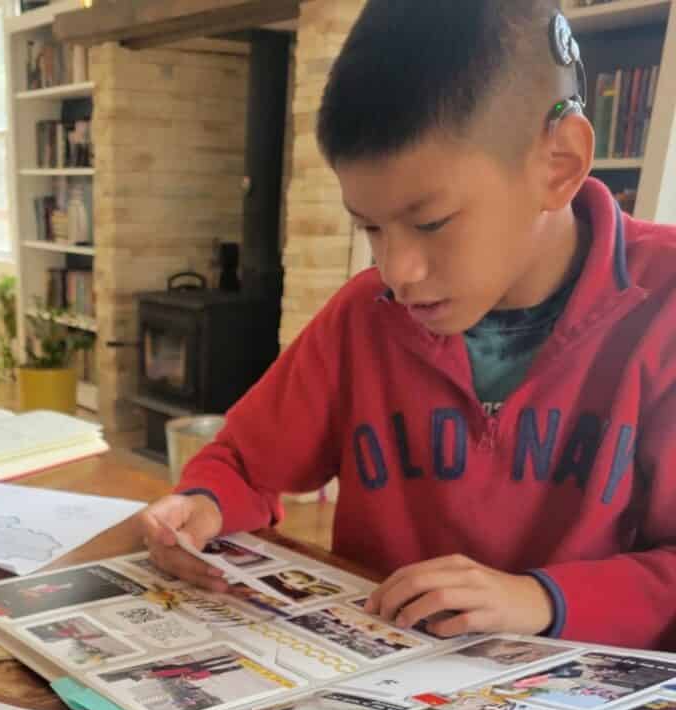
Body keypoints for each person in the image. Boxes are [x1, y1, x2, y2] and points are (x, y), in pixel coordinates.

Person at [138, 0, 676, 653]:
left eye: (432, 222)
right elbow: (242, 461)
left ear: (558, 164)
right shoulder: (365, 316)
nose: (397, 270)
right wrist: (204, 503)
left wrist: (538, 599)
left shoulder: (664, 308)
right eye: (370, 227)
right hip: (372, 689)